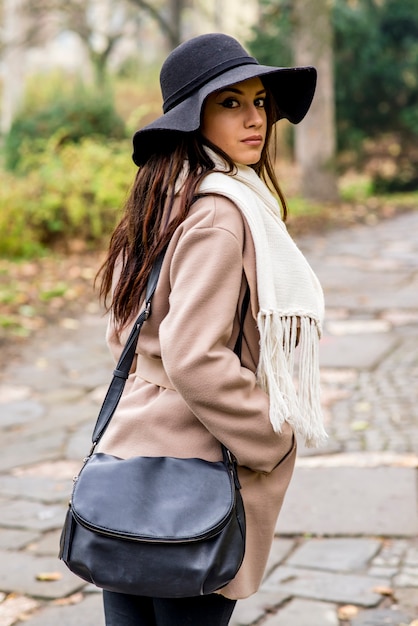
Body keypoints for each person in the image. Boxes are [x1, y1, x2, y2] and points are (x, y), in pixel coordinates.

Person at [96, 32, 327, 626]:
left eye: (259, 102)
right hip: (192, 478)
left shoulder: (162, 199)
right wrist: (272, 437)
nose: (255, 119)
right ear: (192, 119)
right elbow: (195, 356)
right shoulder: (223, 214)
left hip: (129, 463)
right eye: (230, 103)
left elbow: (123, 335)